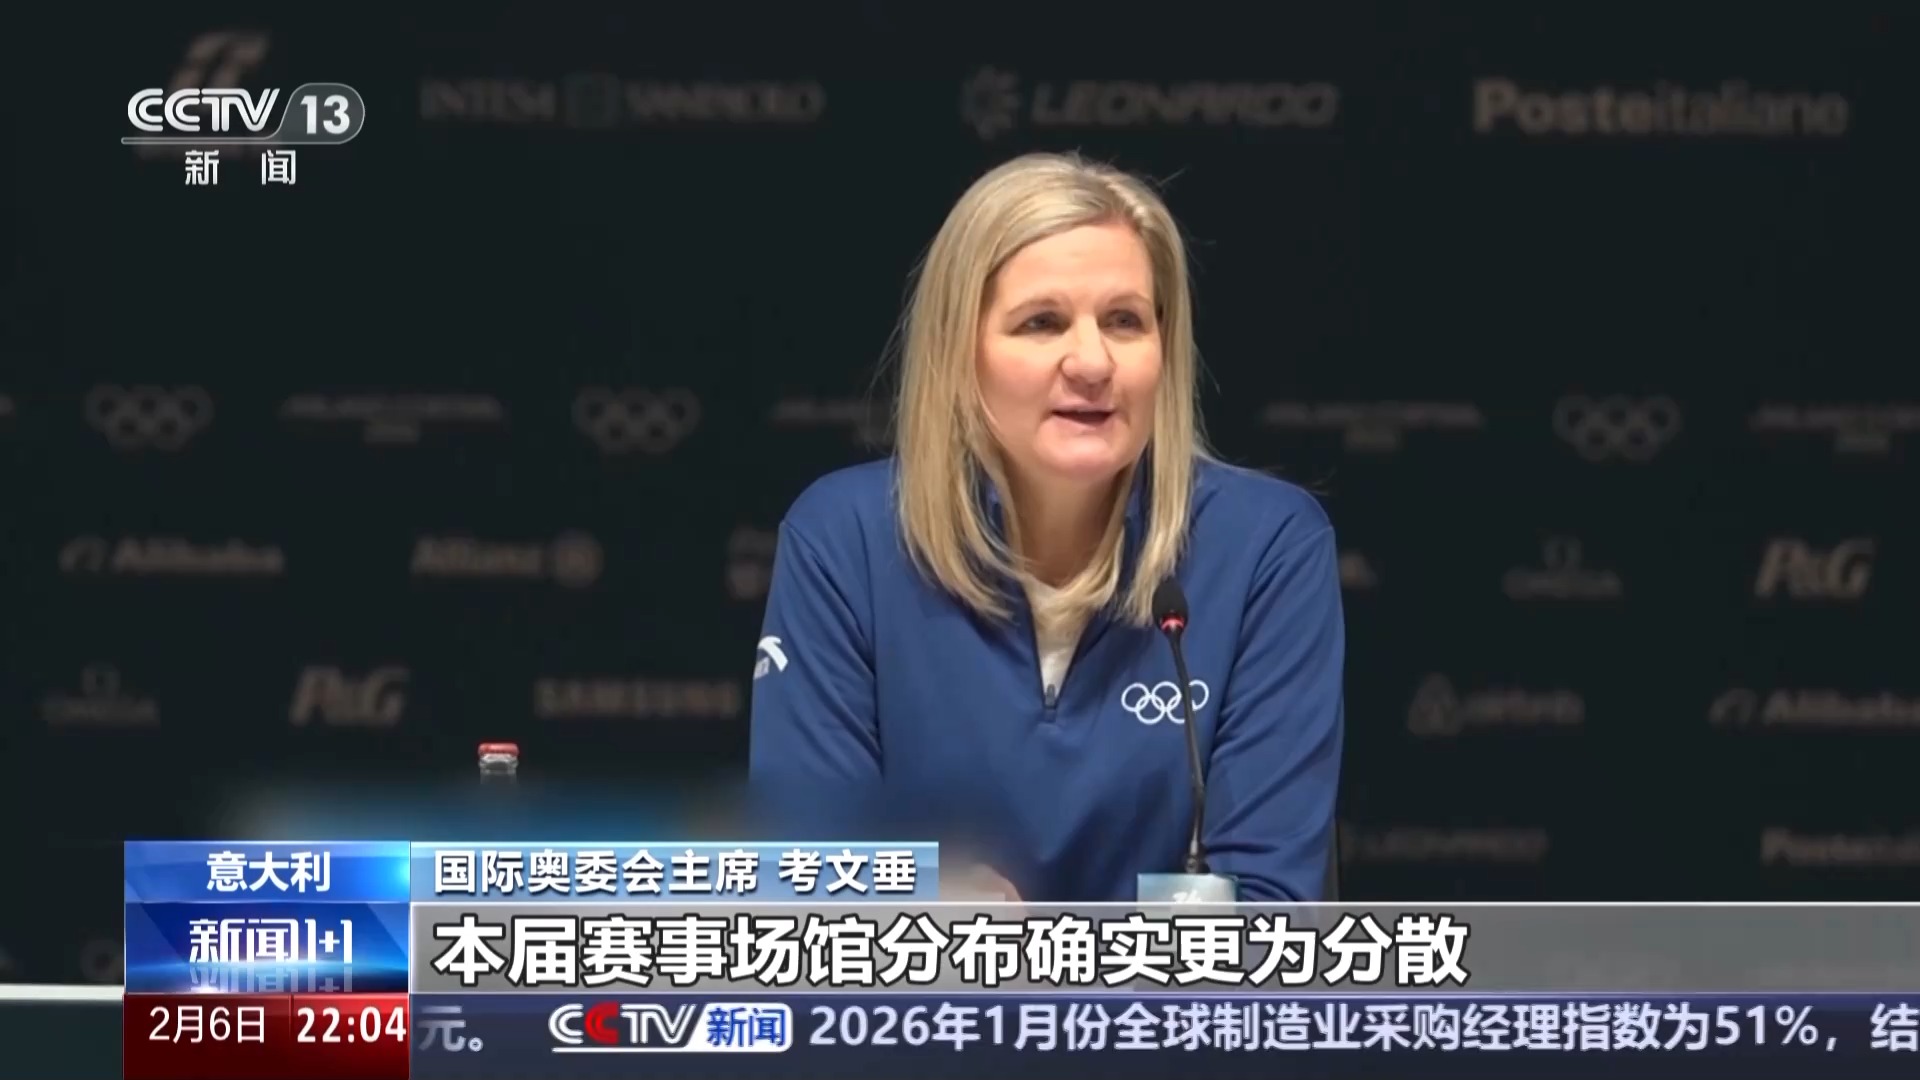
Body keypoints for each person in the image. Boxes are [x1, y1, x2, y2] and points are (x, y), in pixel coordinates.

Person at [749, 152, 1344, 902]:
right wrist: (919, 899)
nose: (1092, 361)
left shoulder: (1267, 548)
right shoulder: (846, 541)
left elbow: (1268, 908)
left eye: (1125, 321)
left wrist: (1026, 955)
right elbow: (807, 879)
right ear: (958, 353)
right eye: (1042, 322)